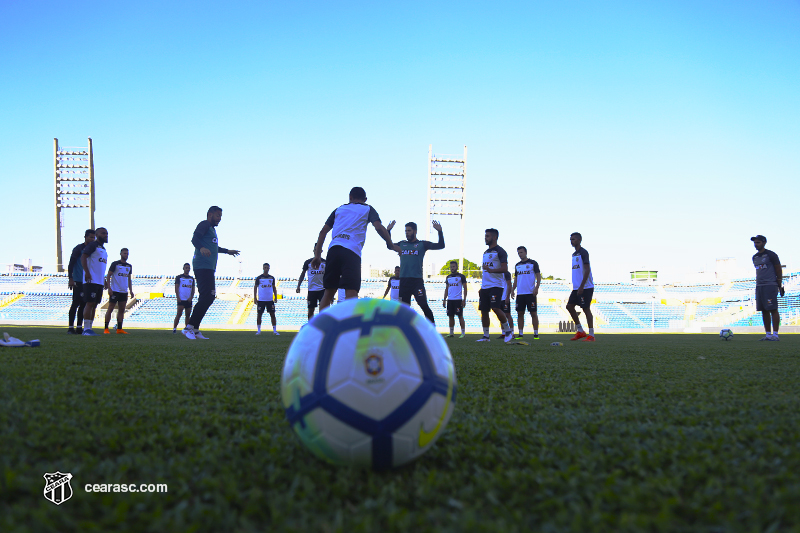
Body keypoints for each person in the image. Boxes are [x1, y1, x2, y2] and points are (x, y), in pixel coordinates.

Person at [310, 187, 394, 310]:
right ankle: (351, 328)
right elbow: (379, 228)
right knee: (351, 291)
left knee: (328, 292)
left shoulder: (339, 209)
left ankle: (323, 327)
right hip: (351, 251)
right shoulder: (367, 208)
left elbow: (323, 232)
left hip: (333, 250)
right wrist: (390, 244)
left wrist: (317, 256)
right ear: (365, 199)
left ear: (350, 197)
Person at [184, 206, 240, 340]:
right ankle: (189, 328)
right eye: (217, 216)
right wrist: (201, 248)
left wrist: (227, 251)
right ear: (210, 215)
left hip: (208, 267)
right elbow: (194, 239)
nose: (219, 219)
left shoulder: (212, 230)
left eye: (221, 216)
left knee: (208, 297)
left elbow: (214, 247)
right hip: (202, 266)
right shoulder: (204, 224)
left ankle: (195, 330)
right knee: (208, 297)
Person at [386, 220, 444, 324]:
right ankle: (405, 332)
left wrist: (440, 232)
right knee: (404, 309)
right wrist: (388, 231)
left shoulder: (422, 244)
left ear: (415, 231)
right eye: (405, 231)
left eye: (409, 230)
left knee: (423, 305)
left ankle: (432, 330)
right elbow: (389, 246)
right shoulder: (401, 244)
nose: (407, 232)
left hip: (417, 281)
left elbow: (441, 245)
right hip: (404, 282)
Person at [476, 229, 514, 343]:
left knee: (496, 308)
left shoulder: (500, 251)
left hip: (496, 285)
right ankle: (486, 336)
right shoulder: (485, 252)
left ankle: (508, 331)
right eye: (485, 236)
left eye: (487, 236)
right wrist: (482, 286)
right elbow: (486, 271)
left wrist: (491, 270)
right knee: (484, 311)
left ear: (494, 237)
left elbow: (504, 269)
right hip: (485, 286)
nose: (485, 238)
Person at [751, 235, 784, 341]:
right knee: (764, 310)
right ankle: (768, 334)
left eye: (758, 242)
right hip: (759, 286)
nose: (756, 244)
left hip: (770, 285)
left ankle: (775, 334)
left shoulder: (771, 255)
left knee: (773, 309)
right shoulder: (754, 257)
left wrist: (779, 284)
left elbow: (778, 270)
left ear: (764, 243)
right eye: (755, 243)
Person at [79, 227, 109, 336]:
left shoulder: (103, 249)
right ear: (97, 235)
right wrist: (87, 273)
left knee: (95, 304)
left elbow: (101, 266)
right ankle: (86, 329)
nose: (106, 235)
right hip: (91, 280)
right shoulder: (93, 245)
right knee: (90, 303)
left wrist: (104, 279)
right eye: (103, 233)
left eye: (106, 233)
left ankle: (90, 328)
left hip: (99, 281)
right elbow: (83, 257)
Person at [566, 232, 595, 341]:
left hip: (585, 286)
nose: (571, 241)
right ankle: (581, 331)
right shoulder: (574, 254)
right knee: (569, 306)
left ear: (579, 240)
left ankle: (591, 335)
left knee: (586, 308)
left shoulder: (583, 252)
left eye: (573, 239)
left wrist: (582, 286)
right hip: (576, 287)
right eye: (570, 239)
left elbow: (587, 270)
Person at [66, 229, 95, 334]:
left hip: (88, 281)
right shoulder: (78, 248)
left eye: (94, 237)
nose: (93, 239)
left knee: (83, 304)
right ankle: (70, 328)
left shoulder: (94, 250)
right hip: (78, 280)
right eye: (91, 237)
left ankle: (79, 327)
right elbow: (71, 263)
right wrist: (71, 278)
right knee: (75, 303)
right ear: (85, 237)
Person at [511, 246, 541, 339]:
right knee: (520, 313)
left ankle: (536, 333)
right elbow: (516, 279)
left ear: (526, 252)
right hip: (520, 294)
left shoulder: (533, 263)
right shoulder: (517, 265)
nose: (520, 254)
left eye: (521, 252)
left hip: (530, 293)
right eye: (518, 253)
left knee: (533, 313)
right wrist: (512, 290)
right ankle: (520, 334)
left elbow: (538, 276)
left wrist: (536, 287)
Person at [103, 248, 134, 334]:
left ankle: (119, 329)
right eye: (124, 253)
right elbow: (108, 275)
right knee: (110, 308)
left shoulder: (129, 266)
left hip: (124, 291)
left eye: (127, 254)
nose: (126, 255)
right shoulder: (115, 264)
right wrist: (109, 288)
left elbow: (129, 279)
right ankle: (106, 328)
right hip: (115, 290)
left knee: (121, 310)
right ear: (120, 254)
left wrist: (131, 290)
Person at [296, 247, 326, 321]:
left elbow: (329, 275)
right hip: (312, 290)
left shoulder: (325, 262)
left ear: (321, 251)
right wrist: (298, 286)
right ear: (313, 251)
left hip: (322, 289)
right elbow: (303, 274)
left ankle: (322, 328)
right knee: (310, 310)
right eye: (316, 250)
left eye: (319, 250)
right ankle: (311, 328)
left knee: (323, 310)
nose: (317, 251)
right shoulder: (308, 262)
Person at [443, 260, 468, 338]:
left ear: (456, 267)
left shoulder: (461, 276)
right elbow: (446, 289)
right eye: (451, 267)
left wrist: (464, 300)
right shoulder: (448, 277)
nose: (452, 268)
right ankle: (451, 333)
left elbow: (465, 288)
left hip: (458, 300)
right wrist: (444, 299)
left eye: (453, 266)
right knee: (450, 316)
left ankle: (463, 333)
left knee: (460, 315)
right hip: (450, 300)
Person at [255, 263, 279, 335]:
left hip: (270, 300)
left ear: (269, 268)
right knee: (259, 314)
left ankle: (274, 330)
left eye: (267, 268)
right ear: (263, 268)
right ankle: (259, 330)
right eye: (265, 267)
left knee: (272, 314)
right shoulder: (259, 278)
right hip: (261, 300)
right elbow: (255, 287)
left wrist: (275, 297)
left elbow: (274, 288)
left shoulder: (272, 278)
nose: (266, 269)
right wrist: (255, 297)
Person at [173, 263, 195, 333]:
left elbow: (193, 289)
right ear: (183, 268)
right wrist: (178, 297)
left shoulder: (191, 279)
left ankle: (186, 330)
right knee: (179, 314)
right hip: (181, 299)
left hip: (188, 300)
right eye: (186, 268)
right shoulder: (179, 277)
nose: (187, 269)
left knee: (188, 315)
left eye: (188, 268)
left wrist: (191, 297)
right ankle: (174, 328)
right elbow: (176, 288)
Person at [496, 271, 515, 339]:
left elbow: (509, 285)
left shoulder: (506, 273)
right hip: (498, 298)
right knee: (500, 315)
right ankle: (504, 333)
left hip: (504, 298)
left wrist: (507, 296)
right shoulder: (497, 273)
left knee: (507, 314)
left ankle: (512, 332)